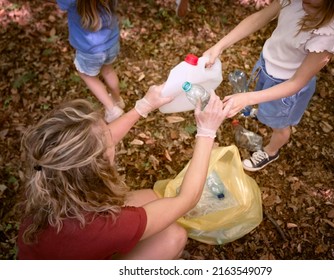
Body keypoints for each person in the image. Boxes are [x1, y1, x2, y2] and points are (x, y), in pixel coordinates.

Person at [17, 85, 233, 260]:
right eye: (108, 142)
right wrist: (206, 133)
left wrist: (143, 106)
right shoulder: (101, 226)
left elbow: (97, 142)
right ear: (96, 166)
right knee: (173, 237)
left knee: (152, 197)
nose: (113, 139)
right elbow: (188, 199)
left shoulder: (48, 173)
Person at [204, 0, 334, 171]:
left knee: (280, 125)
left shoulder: (329, 33)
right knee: (264, 102)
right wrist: (219, 46)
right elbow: (260, 17)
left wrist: (247, 98)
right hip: (266, 66)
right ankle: (263, 111)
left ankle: (271, 151)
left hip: (285, 88)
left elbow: (296, 82)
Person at [56, 0, 125, 123]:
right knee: (108, 71)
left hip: (90, 50)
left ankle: (112, 109)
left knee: (87, 76)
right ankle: (117, 100)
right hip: (111, 43)